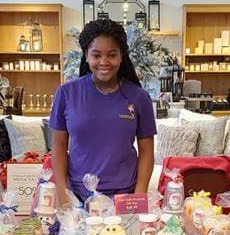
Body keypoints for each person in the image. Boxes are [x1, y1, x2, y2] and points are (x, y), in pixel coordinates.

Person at [50, 20, 156, 205]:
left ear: (122, 56)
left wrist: (139, 195)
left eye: (112, 55)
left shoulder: (139, 97)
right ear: (86, 55)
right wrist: (62, 193)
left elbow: (147, 150)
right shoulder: (67, 93)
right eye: (96, 55)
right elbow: (58, 146)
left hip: (125, 195)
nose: (104, 62)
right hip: (77, 197)